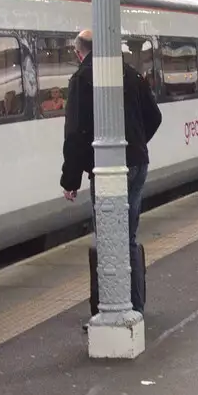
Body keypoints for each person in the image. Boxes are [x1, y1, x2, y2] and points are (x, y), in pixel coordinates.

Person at [59, 30, 162, 250]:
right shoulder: (131, 74)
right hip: (137, 163)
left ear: (79, 52)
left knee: (109, 241)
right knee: (128, 235)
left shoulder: (82, 79)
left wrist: (70, 181)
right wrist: (136, 145)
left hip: (108, 168)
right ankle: (133, 282)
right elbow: (155, 117)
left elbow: (75, 133)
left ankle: (116, 283)